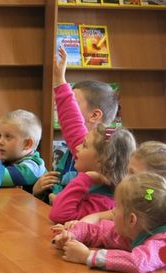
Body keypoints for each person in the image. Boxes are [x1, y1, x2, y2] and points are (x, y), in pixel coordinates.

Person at [33, 46, 120, 204]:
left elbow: (72, 124)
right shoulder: (75, 152)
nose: (59, 105)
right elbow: (58, 189)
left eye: (74, 102)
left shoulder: (105, 151)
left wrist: (60, 82)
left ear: (95, 115)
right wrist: (40, 191)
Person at [51, 172, 166, 273]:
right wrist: (71, 235)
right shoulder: (129, 230)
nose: (113, 211)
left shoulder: (161, 244)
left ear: (131, 220)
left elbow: (138, 262)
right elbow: (97, 230)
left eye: (117, 207)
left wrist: (88, 256)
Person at [48, 123, 136, 224]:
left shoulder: (102, 201)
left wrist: (86, 178)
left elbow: (59, 215)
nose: (77, 148)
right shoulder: (96, 187)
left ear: (102, 160)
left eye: (84, 145)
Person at [64, 141, 166, 227]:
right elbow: (97, 217)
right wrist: (77, 228)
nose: (125, 179)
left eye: (133, 173)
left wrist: (88, 251)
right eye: (127, 172)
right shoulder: (131, 206)